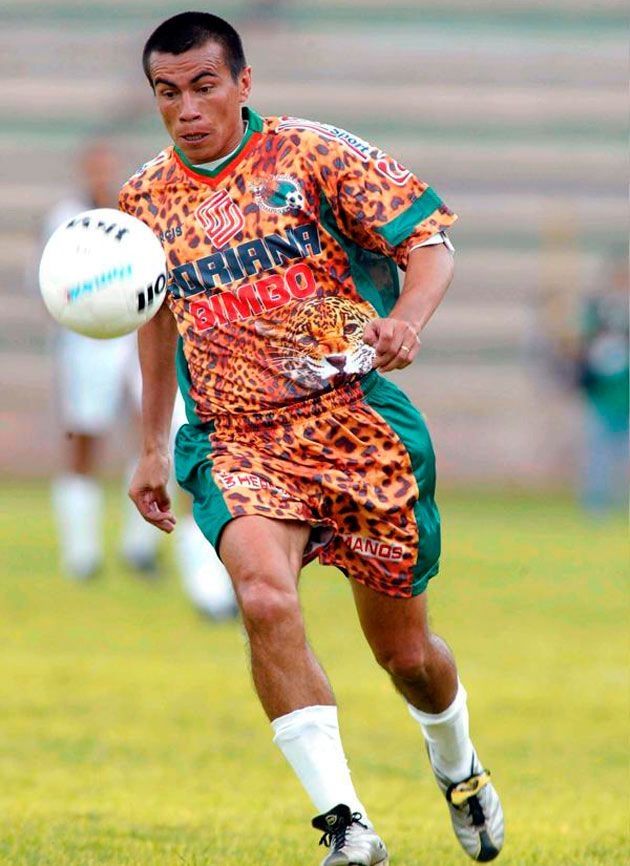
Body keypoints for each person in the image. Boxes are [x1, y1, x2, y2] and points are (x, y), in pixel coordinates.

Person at [121, 12, 504, 864]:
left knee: (407, 656)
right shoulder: (143, 199)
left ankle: (457, 762)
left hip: (353, 421)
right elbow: (153, 317)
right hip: (235, 437)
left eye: (204, 86)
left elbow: (430, 245)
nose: (187, 109)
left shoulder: (313, 154)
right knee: (263, 597)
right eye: (167, 93)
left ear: (243, 83)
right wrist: (151, 443)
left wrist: (406, 320)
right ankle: (346, 825)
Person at [43, 140, 161, 580]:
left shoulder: (132, 218)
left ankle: (139, 545)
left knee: (150, 431)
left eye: (107, 168)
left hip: (134, 337)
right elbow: (52, 284)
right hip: (86, 342)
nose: (102, 175)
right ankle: (82, 553)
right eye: (95, 168)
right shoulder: (66, 219)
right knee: (84, 439)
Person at [576, 263, 629, 514]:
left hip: (625, 395)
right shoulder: (597, 312)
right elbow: (585, 350)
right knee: (599, 454)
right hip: (601, 398)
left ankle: (619, 501)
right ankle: (597, 504)